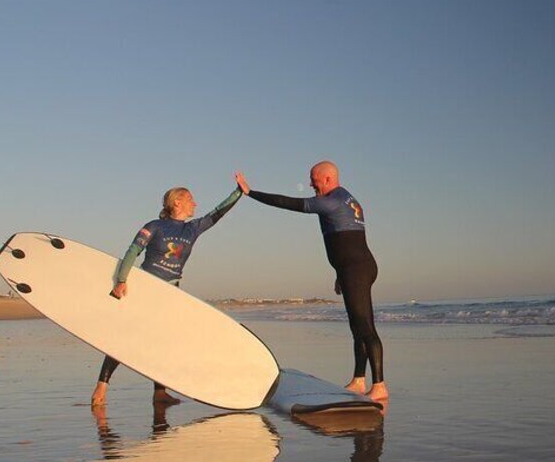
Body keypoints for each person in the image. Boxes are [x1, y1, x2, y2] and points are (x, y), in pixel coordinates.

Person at [91, 176, 249, 405]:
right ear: (177, 202)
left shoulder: (192, 229)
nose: (195, 204)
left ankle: (159, 392)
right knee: (126, 337)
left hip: (171, 292)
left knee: (163, 341)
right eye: (190, 200)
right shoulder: (154, 226)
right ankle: (101, 387)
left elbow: (217, 214)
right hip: (146, 288)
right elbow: (132, 251)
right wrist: (122, 280)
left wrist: (238, 192)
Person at [239, 161, 387, 402]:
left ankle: (379, 385)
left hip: (356, 269)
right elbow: (348, 242)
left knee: (365, 327)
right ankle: (359, 380)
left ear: (327, 179)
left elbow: (290, 203)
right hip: (355, 267)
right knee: (357, 327)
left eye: (313, 179)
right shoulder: (346, 198)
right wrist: (340, 273)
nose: (310, 184)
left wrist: (251, 193)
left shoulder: (332, 199)